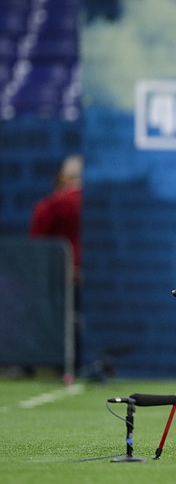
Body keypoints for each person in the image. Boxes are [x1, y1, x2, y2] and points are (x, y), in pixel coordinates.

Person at [30, 154, 83, 378]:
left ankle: (63, 367)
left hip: (59, 274)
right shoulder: (99, 202)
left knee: (62, 321)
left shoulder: (53, 204)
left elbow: (37, 239)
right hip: (86, 273)